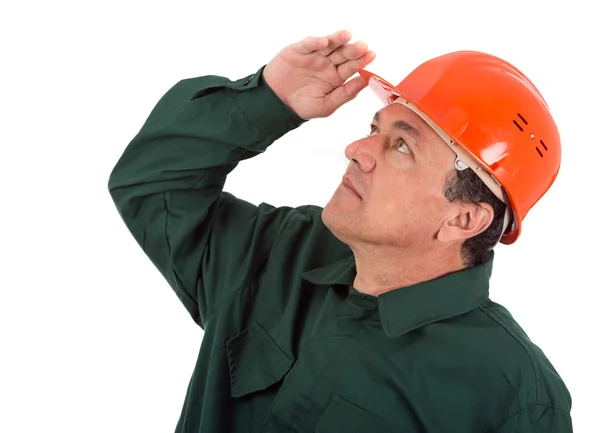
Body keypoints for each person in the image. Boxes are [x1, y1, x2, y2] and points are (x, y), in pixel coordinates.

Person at [108, 30, 572, 432]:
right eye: (375, 127)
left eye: (402, 146)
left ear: (463, 219)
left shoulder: (512, 395)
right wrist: (267, 100)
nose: (355, 149)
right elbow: (152, 183)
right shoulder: (280, 251)